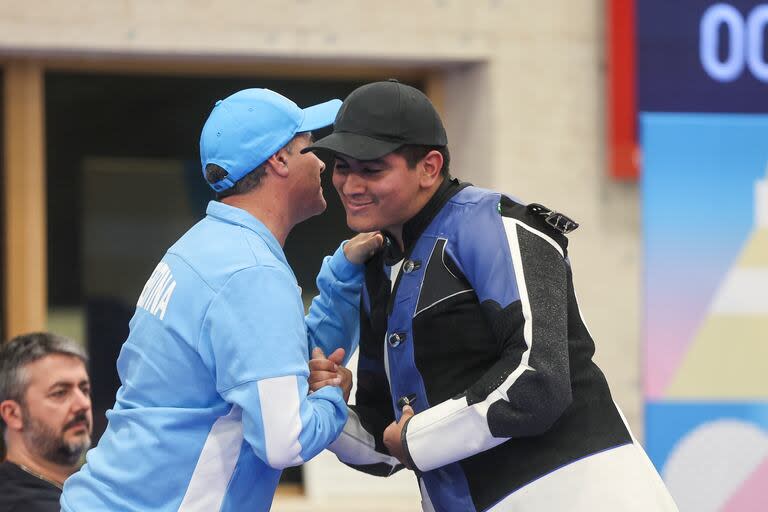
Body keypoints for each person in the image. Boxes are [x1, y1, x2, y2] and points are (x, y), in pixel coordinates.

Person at [305, 80, 679, 511]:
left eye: (371, 170)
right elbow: (388, 442)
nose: (350, 184)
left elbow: (538, 383)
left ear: (429, 167)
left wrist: (416, 437)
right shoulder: (377, 266)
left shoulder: (493, 222)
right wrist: (328, 410)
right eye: (342, 166)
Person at [60, 88, 382, 511]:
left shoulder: (206, 248)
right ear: (279, 161)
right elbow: (286, 439)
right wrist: (333, 397)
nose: (322, 162)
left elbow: (278, 362)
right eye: (308, 147)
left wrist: (341, 276)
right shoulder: (251, 273)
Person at [0, 332, 92, 512]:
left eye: (84, 389)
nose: (83, 404)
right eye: (60, 393)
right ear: (13, 414)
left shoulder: (89, 484)